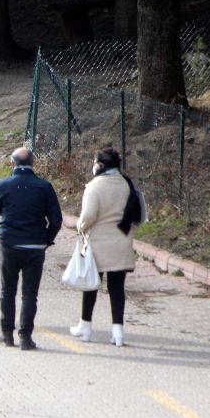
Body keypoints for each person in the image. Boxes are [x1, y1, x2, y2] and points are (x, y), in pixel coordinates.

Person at [0, 147, 63, 350]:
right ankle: (26, 337)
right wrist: (46, 239)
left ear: (13, 164)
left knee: (8, 290)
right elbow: (56, 220)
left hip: (10, 244)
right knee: (30, 293)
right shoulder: (44, 187)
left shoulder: (3, 185)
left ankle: (6, 333)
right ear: (33, 163)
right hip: (34, 246)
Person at [70, 147, 142, 347]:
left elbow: (88, 217)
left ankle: (85, 326)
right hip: (122, 241)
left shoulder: (95, 186)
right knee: (117, 288)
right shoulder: (127, 184)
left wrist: (79, 227)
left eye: (94, 161)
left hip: (99, 244)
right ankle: (117, 331)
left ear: (100, 165)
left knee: (91, 284)